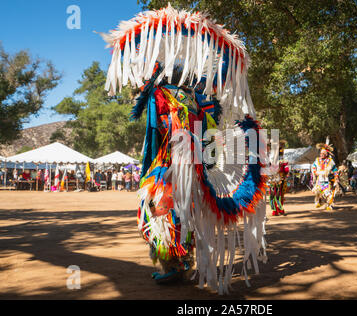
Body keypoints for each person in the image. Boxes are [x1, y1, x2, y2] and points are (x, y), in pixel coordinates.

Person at [100, 4, 268, 294]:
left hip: (177, 165)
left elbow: (169, 133)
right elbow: (199, 136)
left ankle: (176, 263)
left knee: (167, 211)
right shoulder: (190, 98)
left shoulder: (172, 97)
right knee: (175, 211)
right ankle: (179, 261)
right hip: (184, 165)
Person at [311, 139, 339, 210]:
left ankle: (328, 205)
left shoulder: (330, 161)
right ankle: (319, 202)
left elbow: (335, 169)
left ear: (327, 154)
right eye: (321, 153)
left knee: (328, 193)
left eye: (323, 153)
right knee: (318, 192)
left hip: (327, 179)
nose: (322, 155)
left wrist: (336, 177)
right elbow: (313, 166)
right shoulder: (317, 160)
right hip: (319, 179)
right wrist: (315, 172)